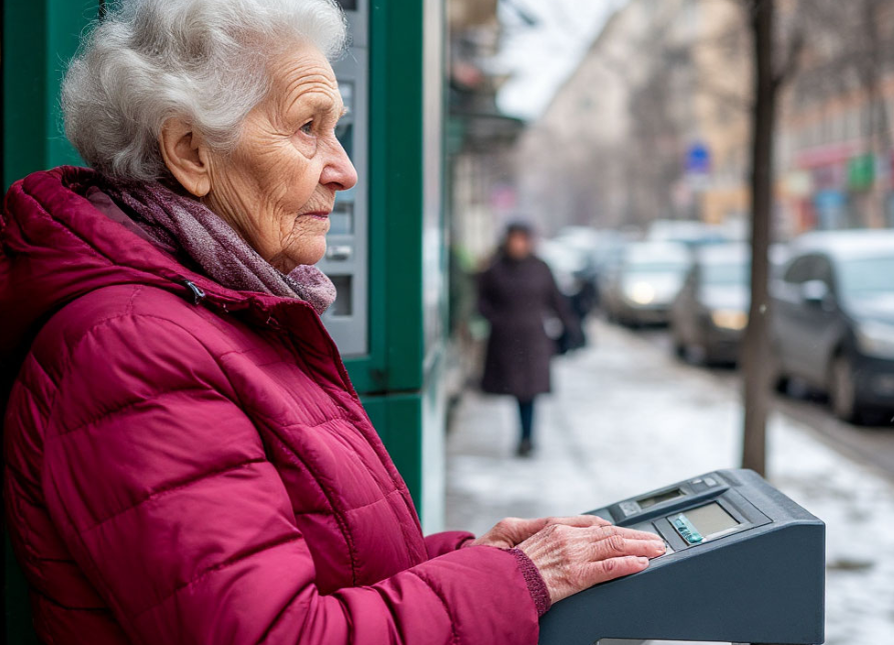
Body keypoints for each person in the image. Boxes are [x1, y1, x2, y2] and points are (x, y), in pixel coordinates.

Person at [0, 2, 665, 643]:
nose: (345, 171)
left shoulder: (226, 312)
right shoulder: (133, 351)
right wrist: (513, 582)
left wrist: (474, 563)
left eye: (336, 128)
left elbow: (324, 564)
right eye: (307, 127)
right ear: (191, 152)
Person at [478, 223, 577, 457]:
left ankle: (527, 438)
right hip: (506, 340)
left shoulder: (540, 268)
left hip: (534, 340)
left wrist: (570, 327)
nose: (518, 245)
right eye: (515, 239)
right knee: (516, 390)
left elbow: (556, 300)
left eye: (522, 240)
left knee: (529, 392)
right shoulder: (495, 269)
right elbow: (481, 301)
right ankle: (524, 436)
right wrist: (497, 319)